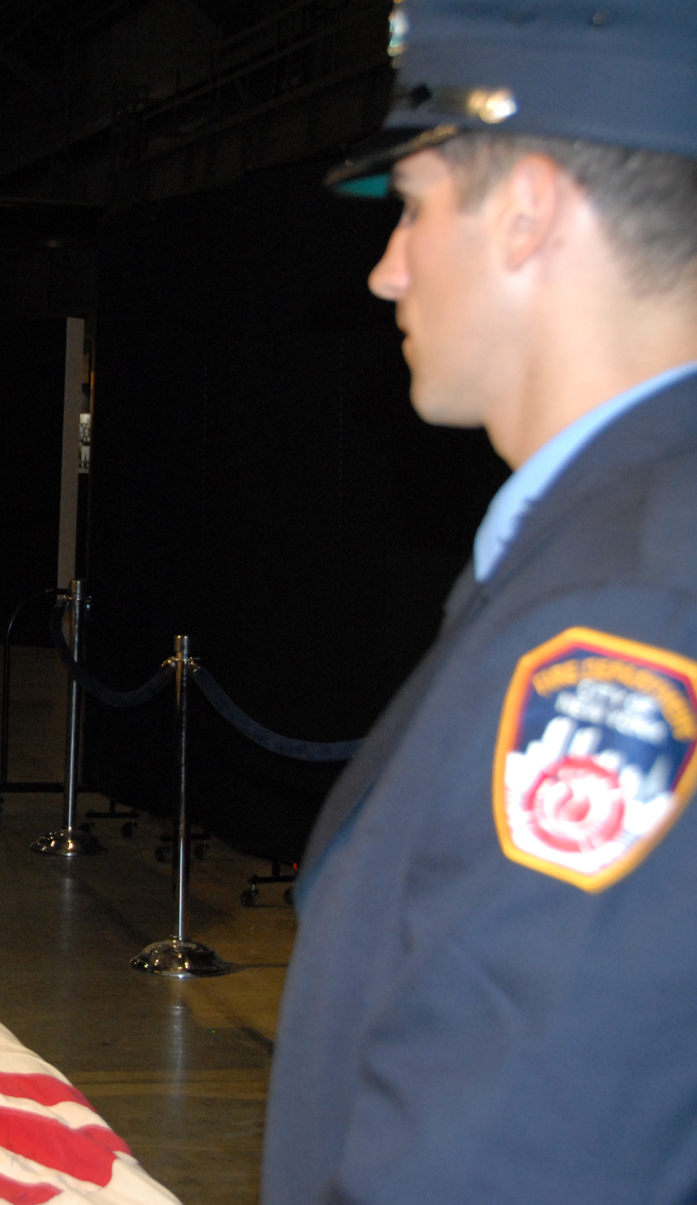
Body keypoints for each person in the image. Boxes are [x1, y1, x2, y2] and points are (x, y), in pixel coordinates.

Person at [263, 3, 697, 1202]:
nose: (385, 266)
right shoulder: (610, 541)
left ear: (527, 212)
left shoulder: (632, 608)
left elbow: (508, 1149)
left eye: (413, 203)